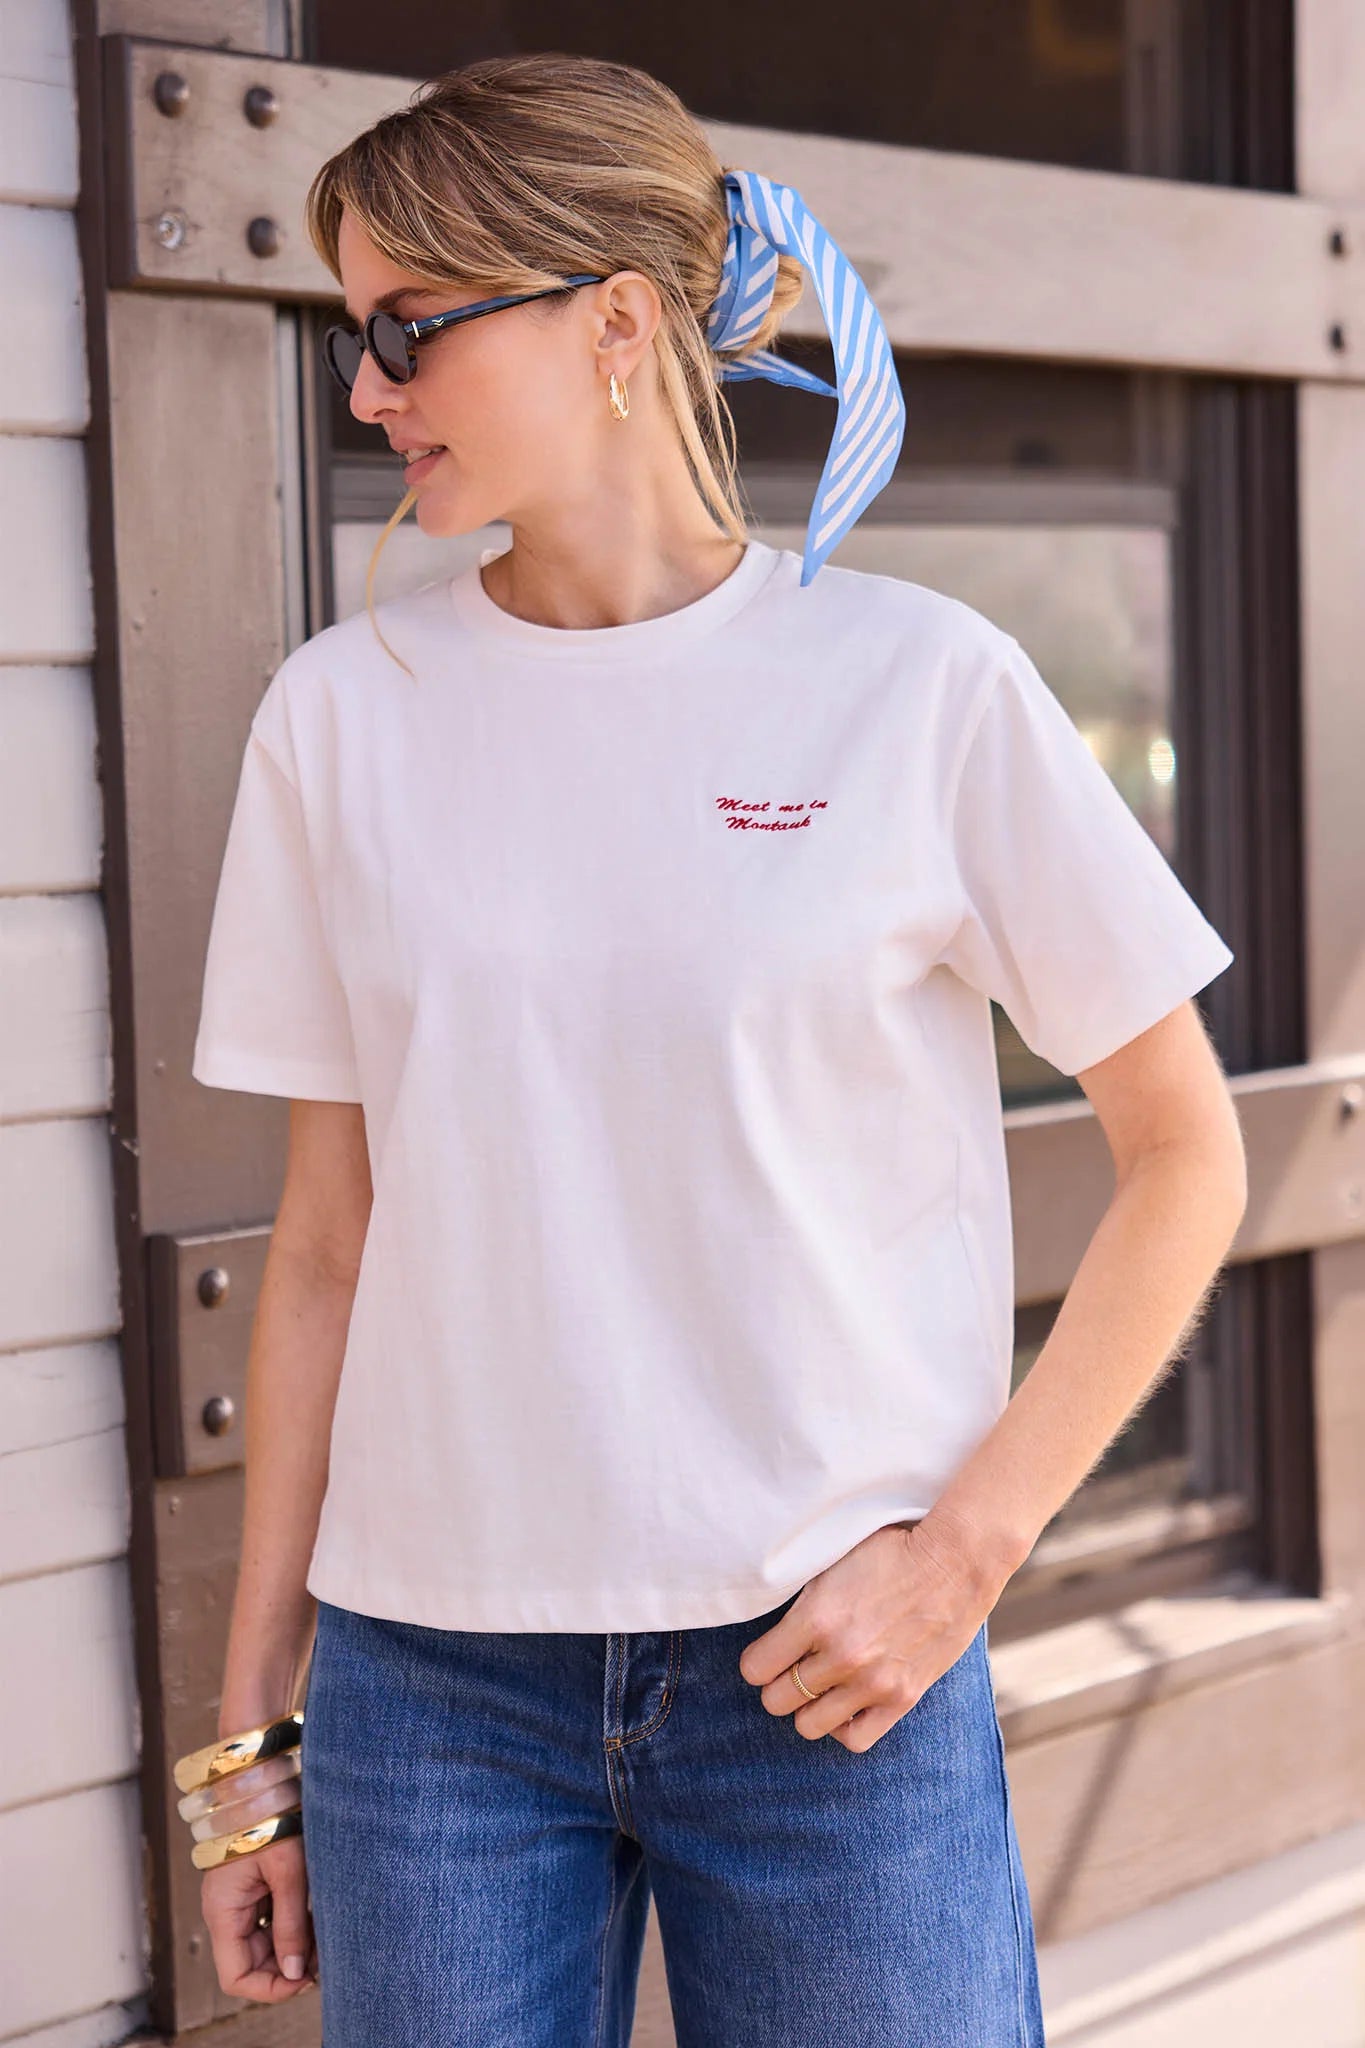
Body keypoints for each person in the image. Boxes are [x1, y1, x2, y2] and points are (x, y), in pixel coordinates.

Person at [183, 49, 1246, 2048]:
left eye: (408, 329)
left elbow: (1182, 1149)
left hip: (825, 1679)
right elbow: (326, 1247)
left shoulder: (916, 686)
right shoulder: (341, 717)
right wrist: (248, 1744)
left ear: (610, 322)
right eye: (354, 338)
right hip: (430, 1703)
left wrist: (967, 1550)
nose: (363, 391)